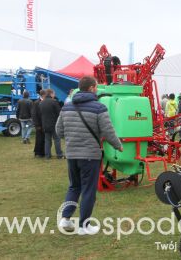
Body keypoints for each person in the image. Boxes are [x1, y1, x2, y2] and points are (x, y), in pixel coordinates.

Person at [56, 76, 123, 235]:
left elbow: (59, 131)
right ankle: (83, 226)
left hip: (72, 154)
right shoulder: (99, 108)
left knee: (74, 186)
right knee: (88, 190)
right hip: (90, 155)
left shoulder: (66, 107)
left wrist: (73, 138)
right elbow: (108, 131)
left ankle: (66, 218)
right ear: (92, 88)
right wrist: (118, 145)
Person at [40, 89, 63, 159]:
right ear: (51, 94)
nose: (54, 95)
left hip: (45, 124)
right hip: (54, 124)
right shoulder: (54, 102)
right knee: (57, 139)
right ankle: (59, 154)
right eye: (54, 94)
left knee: (47, 140)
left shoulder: (41, 102)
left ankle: (47, 155)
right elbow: (59, 113)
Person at [32, 89, 46, 158]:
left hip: (43, 123)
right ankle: (38, 152)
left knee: (43, 138)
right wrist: (37, 125)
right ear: (43, 95)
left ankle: (42, 152)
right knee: (39, 139)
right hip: (39, 124)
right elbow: (34, 114)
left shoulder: (42, 102)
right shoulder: (36, 102)